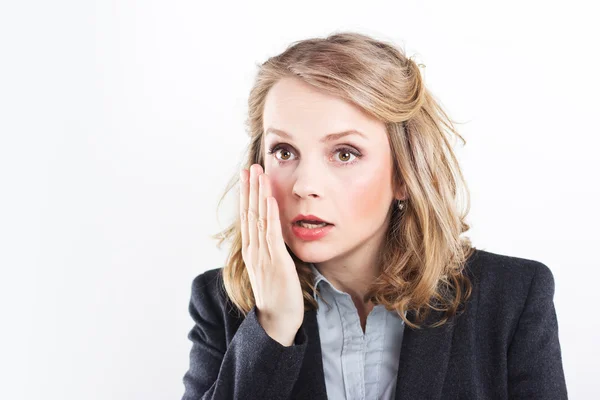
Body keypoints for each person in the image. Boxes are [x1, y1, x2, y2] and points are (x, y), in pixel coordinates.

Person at [181, 31, 568, 399]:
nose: (304, 185)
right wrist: (272, 327)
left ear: (403, 175)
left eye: (345, 153)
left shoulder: (514, 297)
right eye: (284, 151)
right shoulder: (220, 304)